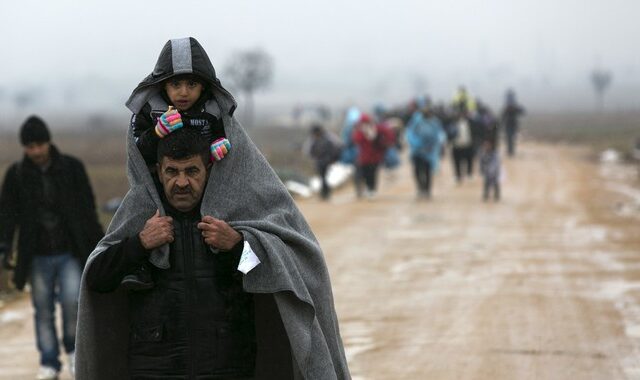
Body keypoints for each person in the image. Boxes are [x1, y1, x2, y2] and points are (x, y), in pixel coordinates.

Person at [75, 37, 350, 380]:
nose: (181, 182)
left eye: (192, 171)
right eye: (172, 172)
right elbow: (98, 280)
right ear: (157, 172)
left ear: (211, 166)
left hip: (228, 368)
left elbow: (273, 274)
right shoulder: (141, 219)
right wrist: (139, 245)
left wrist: (237, 244)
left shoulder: (234, 221)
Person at [0, 116, 103, 380]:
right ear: (25, 147)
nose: (35, 151)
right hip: (35, 254)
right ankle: (48, 362)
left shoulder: (72, 168)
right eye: (29, 146)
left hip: (69, 250)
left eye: (39, 144)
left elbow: (87, 210)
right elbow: (7, 216)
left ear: (48, 142)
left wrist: (98, 246)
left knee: (72, 302)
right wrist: (5, 248)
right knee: (42, 309)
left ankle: (72, 351)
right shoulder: (16, 175)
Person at [405, 106, 447, 199]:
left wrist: (437, 145)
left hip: (430, 151)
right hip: (417, 151)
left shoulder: (435, 122)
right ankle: (420, 188)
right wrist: (417, 144)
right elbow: (410, 134)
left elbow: (440, 135)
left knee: (427, 171)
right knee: (417, 170)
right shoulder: (416, 121)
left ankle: (427, 190)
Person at [352, 113, 395, 199]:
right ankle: (369, 189)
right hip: (365, 158)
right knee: (366, 174)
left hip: (374, 157)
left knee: (372, 174)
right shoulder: (360, 131)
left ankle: (372, 189)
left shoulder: (377, 129)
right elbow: (356, 140)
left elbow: (388, 134)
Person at [302, 124, 342, 200]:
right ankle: (325, 192)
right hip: (319, 160)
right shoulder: (313, 139)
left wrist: (334, 159)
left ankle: (325, 193)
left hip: (326, 160)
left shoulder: (328, 138)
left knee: (323, 177)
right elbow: (309, 150)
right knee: (322, 177)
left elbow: (336, 148)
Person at [449, 111, 475, 184]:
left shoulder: (470, 123)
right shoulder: (453, 123)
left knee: (469, 160)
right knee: (456, 161)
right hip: (456, 145)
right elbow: (449, 134)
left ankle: (469, 173)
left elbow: (474, 132)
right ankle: (458, 175)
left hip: (467, 145)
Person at [501, 89, 525, 157]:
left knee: (511, 138)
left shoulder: (512, 107)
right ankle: (510, 151)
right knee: (509, 138)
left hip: (512, 124)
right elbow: (503, 116)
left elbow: (522, 112)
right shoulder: (508, 108)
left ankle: (511, 151)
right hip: (509, 124)